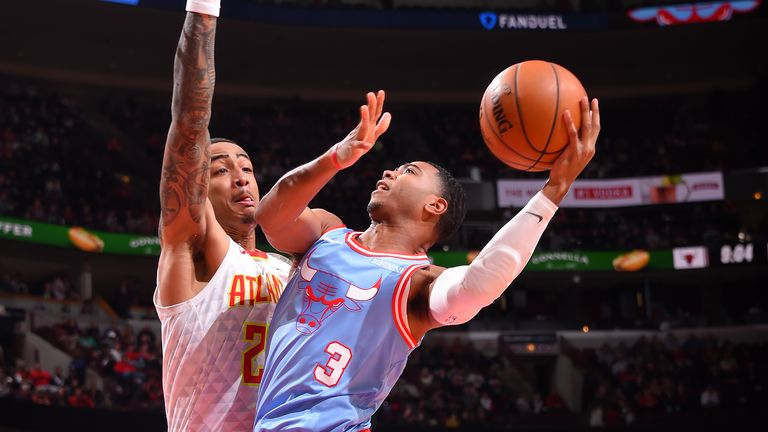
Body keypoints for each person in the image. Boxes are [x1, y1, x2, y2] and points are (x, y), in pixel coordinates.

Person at [252, 91, 600, 431]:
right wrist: (336, 158)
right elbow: (270, 218)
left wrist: (553, 190)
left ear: (435, 205)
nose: (389, 171)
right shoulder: (327, 233)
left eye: (408, 171)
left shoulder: (419, 281)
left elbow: (477, 285)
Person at [153, 1, 291, 430]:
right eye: (220, 169)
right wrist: (203, 12)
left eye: (247, 168)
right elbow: (190, 125)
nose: (240, 177)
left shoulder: (292, 268)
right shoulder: (195, 251)